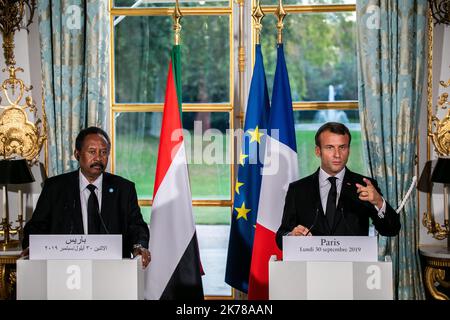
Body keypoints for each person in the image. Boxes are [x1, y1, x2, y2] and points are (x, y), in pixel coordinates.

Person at [22, 127, 151, 268]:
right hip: (67, 270)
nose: (98, 158)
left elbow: (137, 226)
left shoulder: (124, 189)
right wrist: (31, 247)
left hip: (113, 270)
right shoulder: (55, 188)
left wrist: (140, 246)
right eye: (92, 152)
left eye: (103, 152)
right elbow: (36, 226)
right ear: (77, 154)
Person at [276, 122, 400, 249]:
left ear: (349, 150)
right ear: (318, 151)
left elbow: (391, 230)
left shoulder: (365, 186)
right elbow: (281, 237)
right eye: (330, 147)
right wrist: (292, 236)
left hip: (354, 266)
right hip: (311, 266)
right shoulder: (298, 189)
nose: (337, 155)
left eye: (342, 147)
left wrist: (379, 202)